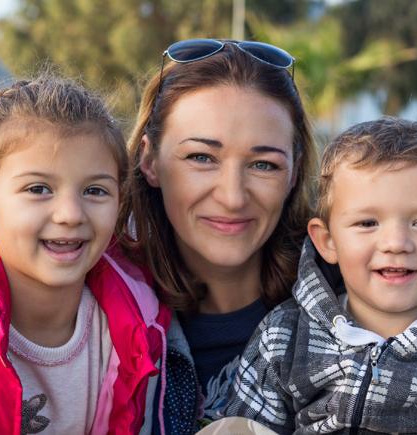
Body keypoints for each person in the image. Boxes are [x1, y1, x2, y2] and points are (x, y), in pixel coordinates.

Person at [0, 75, 170, 434]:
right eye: (38, 189)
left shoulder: (138, 321)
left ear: (119, 201)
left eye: (95, 190)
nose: (70, 215)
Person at [226, 117, 417, 433]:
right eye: (367, 223)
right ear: (328, 241)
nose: (396, 243)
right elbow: (244, 427)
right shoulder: (285, 336)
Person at [118, 38, 318, 433]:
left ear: (295, 171)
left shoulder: (353, 311)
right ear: (149, 160)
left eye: (263, 164)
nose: (232, 197)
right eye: (201, 157)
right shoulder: (90, 313)